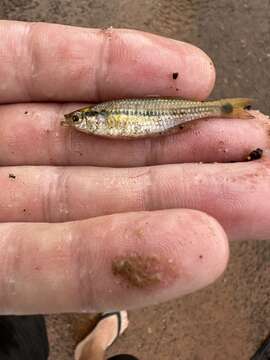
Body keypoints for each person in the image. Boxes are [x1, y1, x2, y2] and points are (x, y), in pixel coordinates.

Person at [0, 20, 269, 359]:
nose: (78, 123)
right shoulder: (96, 119)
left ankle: (92, 347)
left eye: (83, 119)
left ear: (97, 117)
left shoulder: (105, 117)